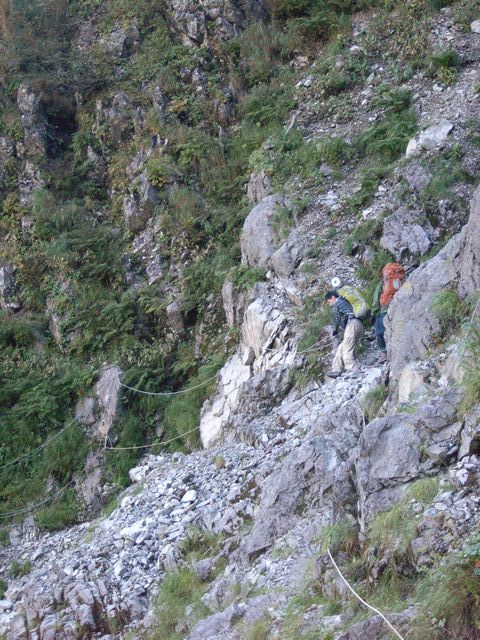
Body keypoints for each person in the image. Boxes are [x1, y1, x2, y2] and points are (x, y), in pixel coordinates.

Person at [324, 290, 365, 378]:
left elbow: (336, 318)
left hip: (352, 324)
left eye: (329, 301)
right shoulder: (345, 302)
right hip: (359, 325)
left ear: (333, 297)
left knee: (347, 348)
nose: (329, 304)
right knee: (340, 348)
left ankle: (353, 369)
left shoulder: (338, 302)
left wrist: (334, 330)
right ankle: (336, 370)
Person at [371, 263, 406, 364]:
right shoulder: (400, 280)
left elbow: (375, 301)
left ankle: (383, 355)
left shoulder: (382, 284)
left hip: (384, 309)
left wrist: (374, 313)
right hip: (398, 306)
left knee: (379, 332)